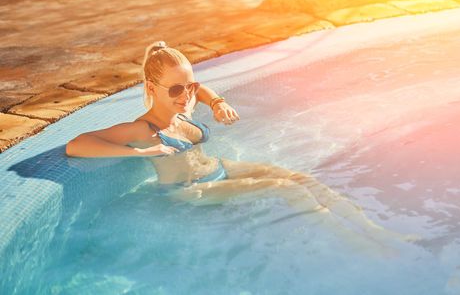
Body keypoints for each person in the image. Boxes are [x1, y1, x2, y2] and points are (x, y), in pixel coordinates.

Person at [66, 41, 416, 257]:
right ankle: (358, 245)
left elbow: (198, 90)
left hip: (216, 167)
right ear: (151, 88)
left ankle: (378, 232)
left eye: (190, 87)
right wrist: (139, 153)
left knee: (299, 176)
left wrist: (217, 102)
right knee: (284, 188)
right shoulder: (143, 128)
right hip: (188, 190)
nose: (186, 96)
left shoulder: (183, 103)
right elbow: (78, 144)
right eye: (176, 90)